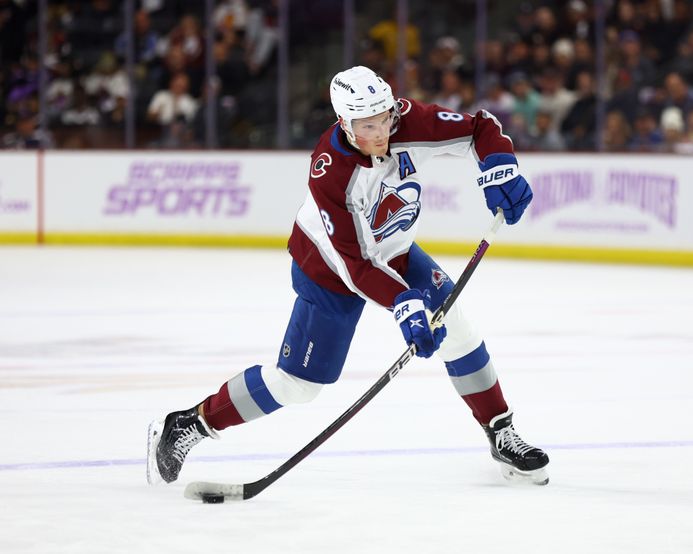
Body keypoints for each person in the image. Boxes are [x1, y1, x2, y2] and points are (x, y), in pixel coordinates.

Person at [146, 66, 549, 487]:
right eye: (368, 125)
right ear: (344, 122)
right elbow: (356, 267)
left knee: (460, 330)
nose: (381, 132)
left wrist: (500, 166)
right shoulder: (332, 172)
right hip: (330, 273)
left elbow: (479, 127)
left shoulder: (406, 121)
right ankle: (192, 423)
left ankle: (500, 430)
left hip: (394, 252)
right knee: (298, 386)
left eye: (386, 119)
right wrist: (407, 305)